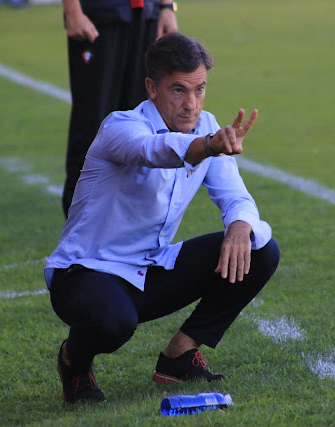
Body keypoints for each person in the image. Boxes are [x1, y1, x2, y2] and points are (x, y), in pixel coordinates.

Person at [44, 32, 280, 404]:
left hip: (149, 269)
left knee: (260, 246)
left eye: (200, 89)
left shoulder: (207, 128)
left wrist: (239, 226)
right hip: (85, 272)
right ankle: (74, 361)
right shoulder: (121, 127)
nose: (192, 104)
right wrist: (207, 147)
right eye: (178, 90)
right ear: (152, 88)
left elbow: (235, 195)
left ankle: (179, 356)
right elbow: (153, 150)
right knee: (113, 323)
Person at [61, 0, 179, 217]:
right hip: (101, 16)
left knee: (145, 125)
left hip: (147, 15)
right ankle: (78, 238)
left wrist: (167, 6)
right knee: (92, 127)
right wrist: (72, 11)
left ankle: (133, 231)